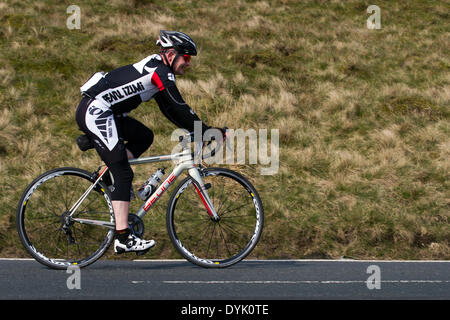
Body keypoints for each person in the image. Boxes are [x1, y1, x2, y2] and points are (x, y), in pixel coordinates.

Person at [75, 30, 225, 254]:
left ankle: (106, 175)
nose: (189, 64)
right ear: (172, 54)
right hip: (97, 113)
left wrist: (198, 131)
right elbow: (179, 106)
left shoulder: (158, 70)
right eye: (187, 58)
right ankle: (123, 238)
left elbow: (169, 110)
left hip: (109, 114)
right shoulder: (159, 72)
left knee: (145, 136)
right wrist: (207, 131)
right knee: (124, 174)